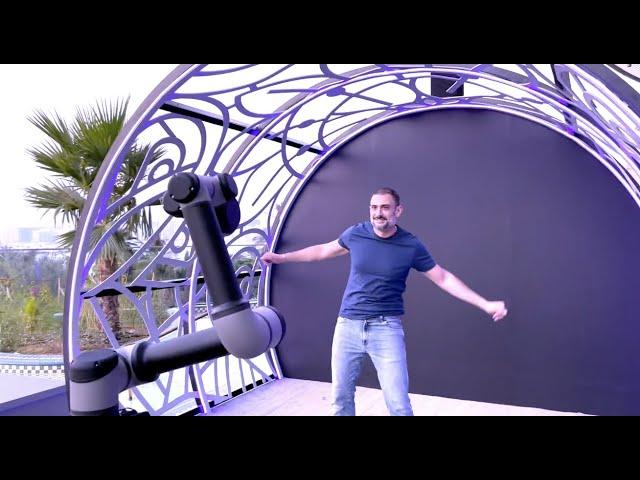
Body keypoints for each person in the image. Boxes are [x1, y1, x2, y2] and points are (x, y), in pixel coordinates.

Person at [261, 187, 508, 416]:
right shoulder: (356, 234)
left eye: (385, 207)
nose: (378, 213)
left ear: (398, 211)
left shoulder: (410, 245)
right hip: (347, 326)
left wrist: (485, 304)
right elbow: (322, 251)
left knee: (398, 404)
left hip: (386, 328)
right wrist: (282, 258)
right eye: (374, 207)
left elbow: (443, 278)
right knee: (341, 400)